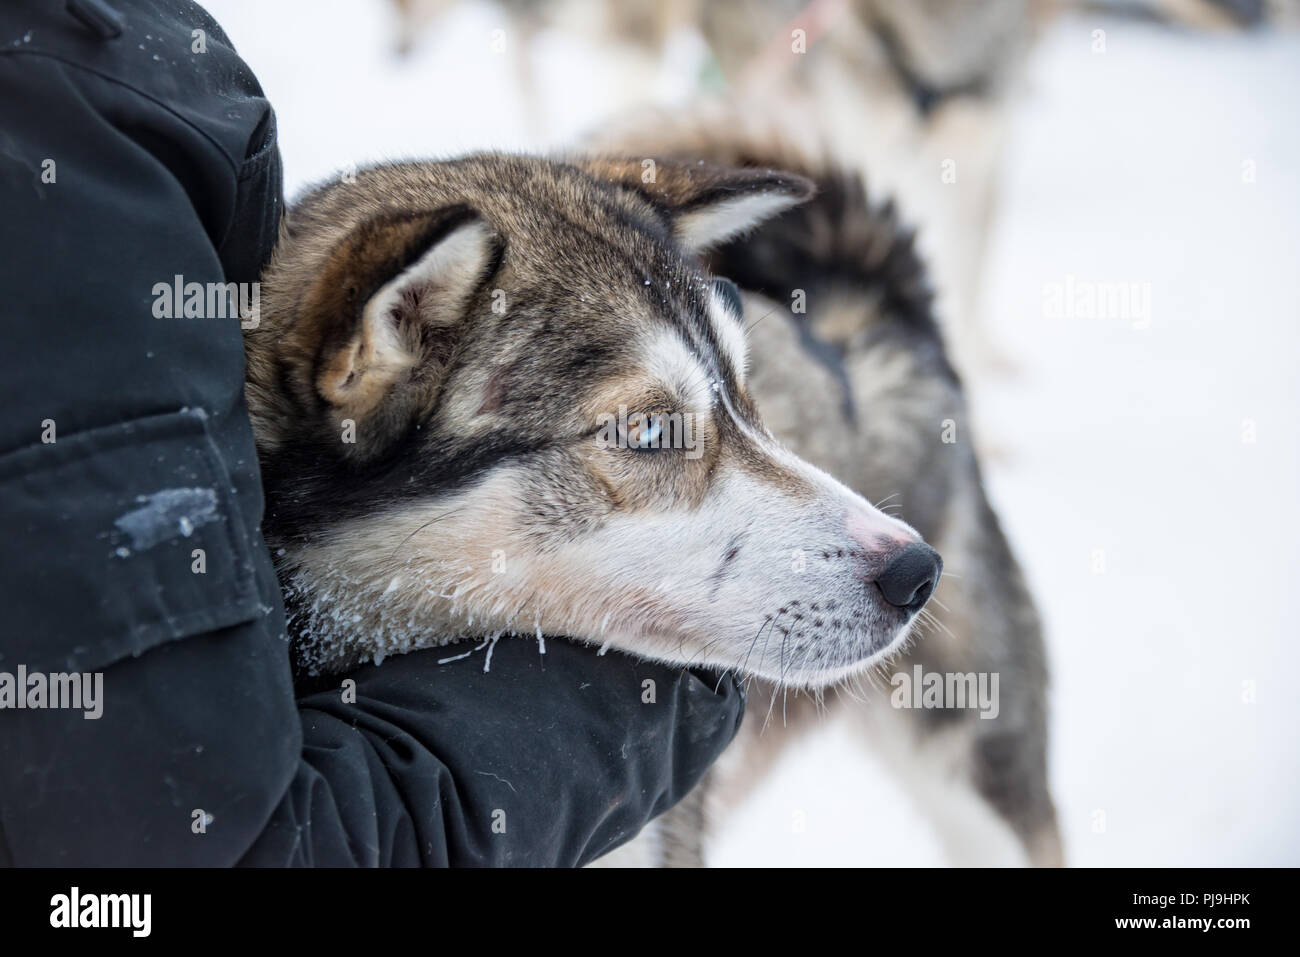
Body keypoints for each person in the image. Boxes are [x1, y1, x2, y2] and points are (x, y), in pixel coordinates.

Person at [0, 0, 743, 866]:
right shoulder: (64, 149)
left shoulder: (118, 70)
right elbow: (203, 857)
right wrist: (655, 700)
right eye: (647, 432)